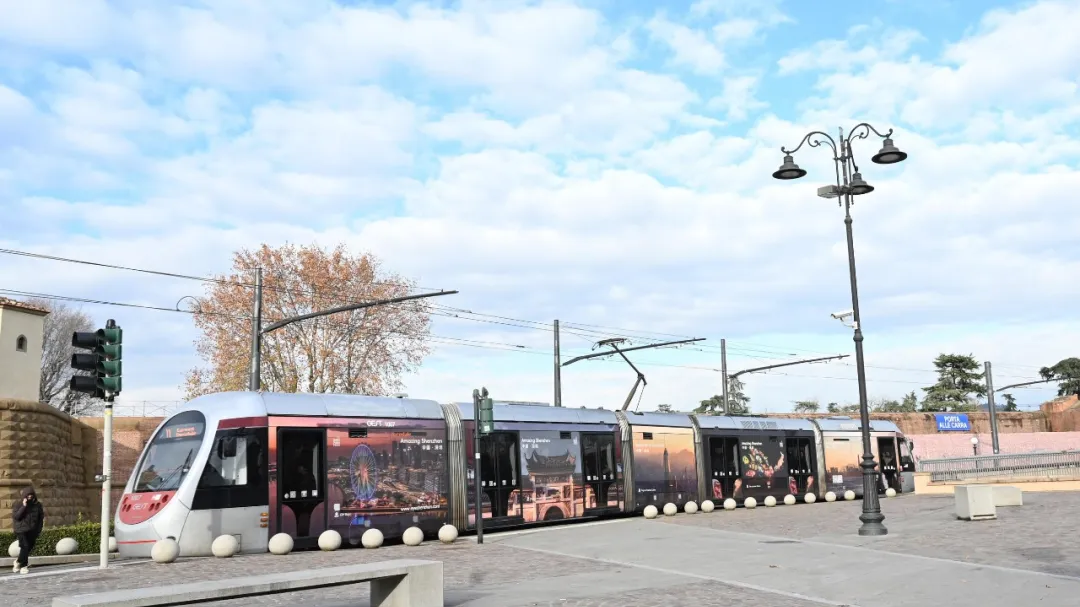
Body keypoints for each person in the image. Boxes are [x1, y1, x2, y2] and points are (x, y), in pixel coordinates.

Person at [12, 486, 45, 574]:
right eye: (28, 496)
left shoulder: (38, 505)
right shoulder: (18, 504)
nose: (29, 497)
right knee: (25, 546)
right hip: (21, 530)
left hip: (32, 530)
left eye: (31, 496)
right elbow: (17, 517)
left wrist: (38, 530)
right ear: (24, 496)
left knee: (28, 547)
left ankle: (18, 561)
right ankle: (23, 566)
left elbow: (40, 518)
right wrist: (24, 506)